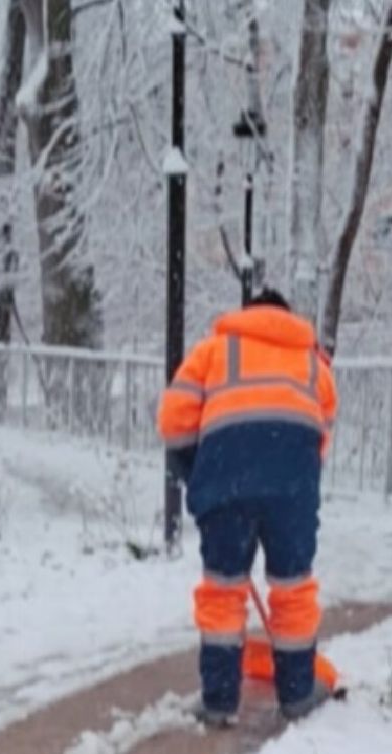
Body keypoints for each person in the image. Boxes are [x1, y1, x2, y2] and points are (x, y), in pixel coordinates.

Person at [156, 288, 338, 726]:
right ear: (287, 318)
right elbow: (320, 437)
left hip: (226, 487)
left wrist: (194, 470)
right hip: (292, 492)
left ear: (247, 315)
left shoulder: (213, 351)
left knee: (223, 591)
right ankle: (297, 695)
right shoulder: (315, 366)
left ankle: (218, 701)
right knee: (293, 590)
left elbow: (173, 418)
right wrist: (286, 482)